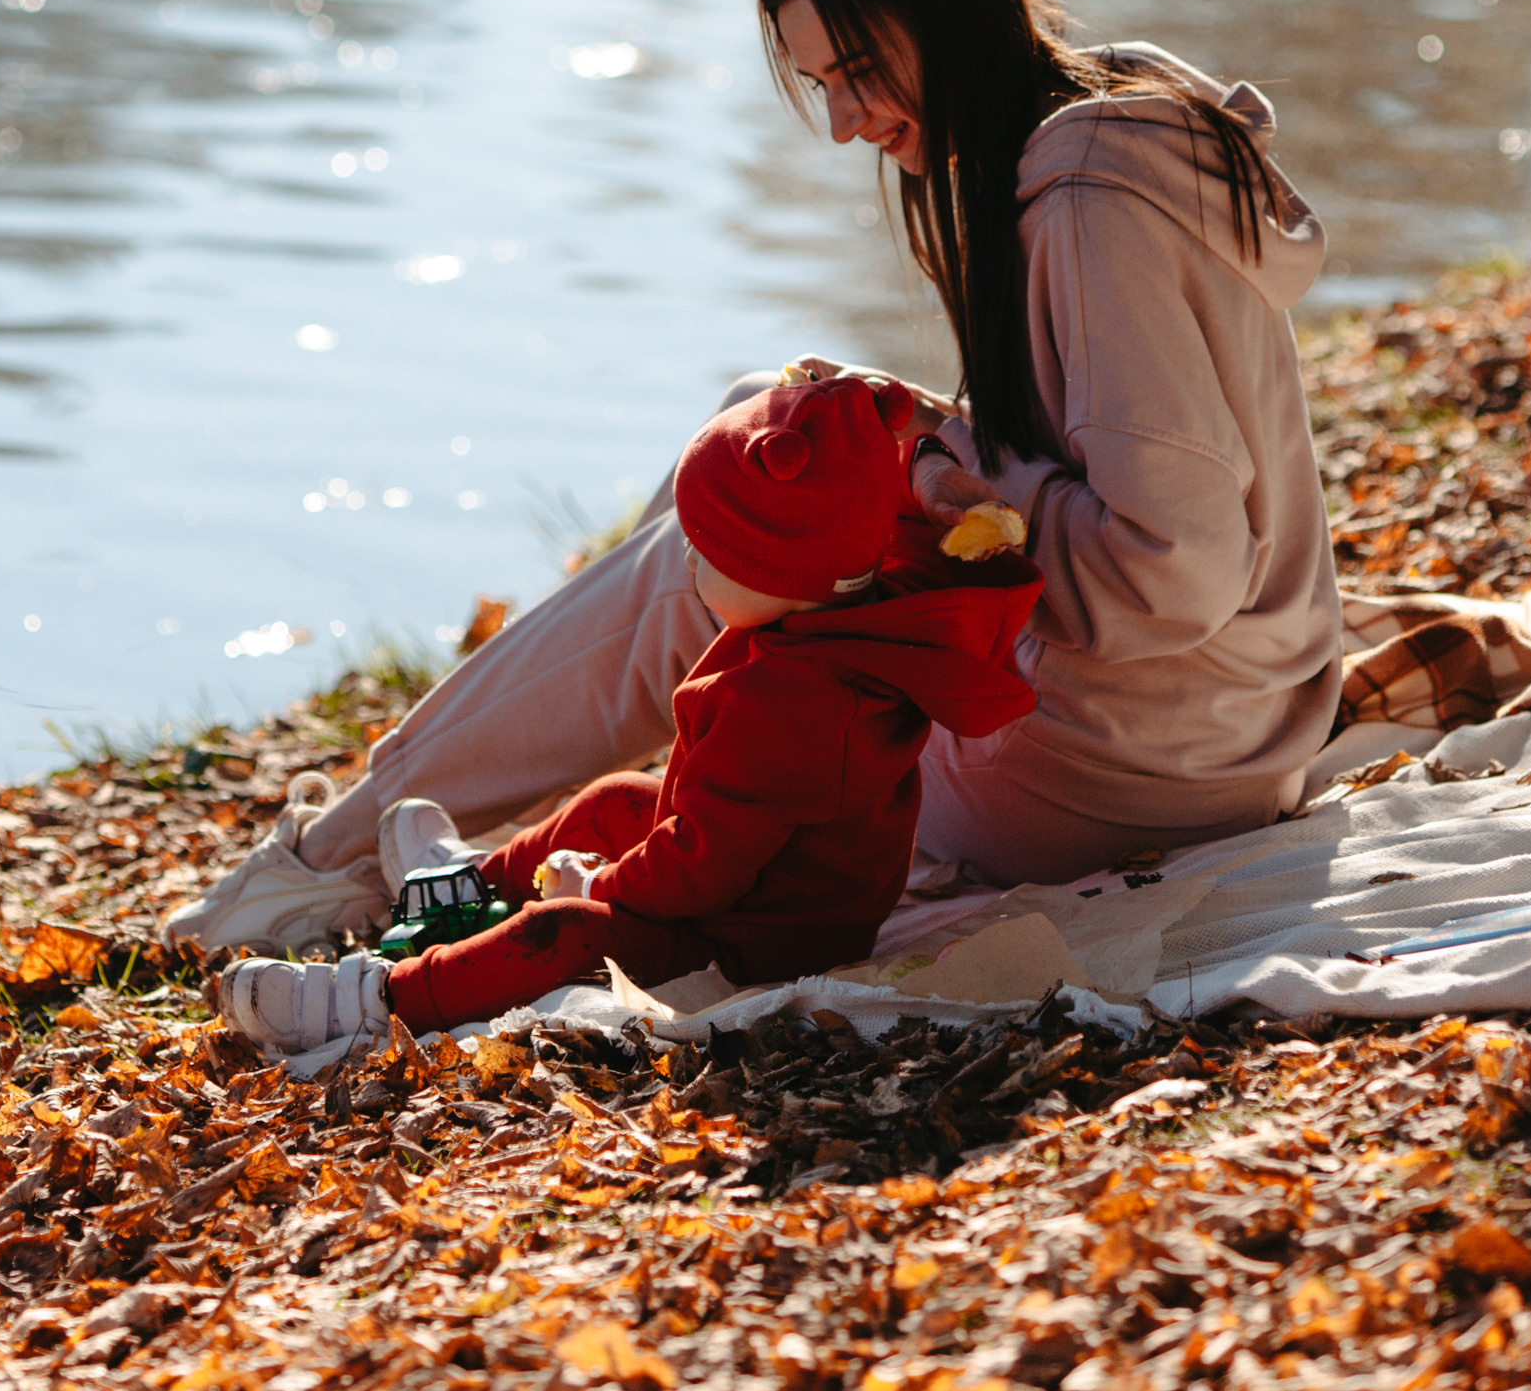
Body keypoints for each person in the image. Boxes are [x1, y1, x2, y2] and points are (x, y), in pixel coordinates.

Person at [165, 0, 1340, 962]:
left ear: (951, 16)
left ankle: (339, 855)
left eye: (860, 71)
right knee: (763, 429)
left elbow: (1170, 572)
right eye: (822, 85)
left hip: (1128, 770)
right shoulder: (1095, 146)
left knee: (740, 530)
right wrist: (917, 444)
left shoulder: (1087, 202)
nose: (844, 122)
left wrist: (933, 462)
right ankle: (449, 817)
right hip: (1210, 731)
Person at [214, 370, 1042, 1065]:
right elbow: (710, 830)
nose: (687, 557)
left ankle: (377, 1001)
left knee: (568, 931)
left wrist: (596, 886)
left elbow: (701, 872)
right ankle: (473, 883)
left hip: (755, 939)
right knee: (615, 799)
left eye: (708, 550)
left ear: (778, 568)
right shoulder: (828, 621)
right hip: (762, 876)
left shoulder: (791, 707)